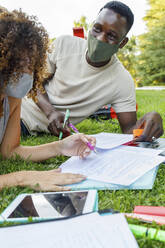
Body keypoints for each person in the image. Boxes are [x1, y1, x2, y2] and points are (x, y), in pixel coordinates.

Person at [21, 1, 163, 142]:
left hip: (24, 126)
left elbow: (129, 130)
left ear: (122, 43)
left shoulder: (122, 81)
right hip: (14, 106)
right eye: (97, 29)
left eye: (111, 36)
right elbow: (31, 81)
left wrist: (151, 119)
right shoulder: (64, 44)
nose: (100, 38)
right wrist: (50, 112)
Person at [0, 9, 96, 191]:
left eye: (32, 63)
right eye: (19, 62)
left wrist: (60, 147)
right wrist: (21, 178)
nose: (27, 73)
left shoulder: (12, 98)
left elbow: (10, 152)